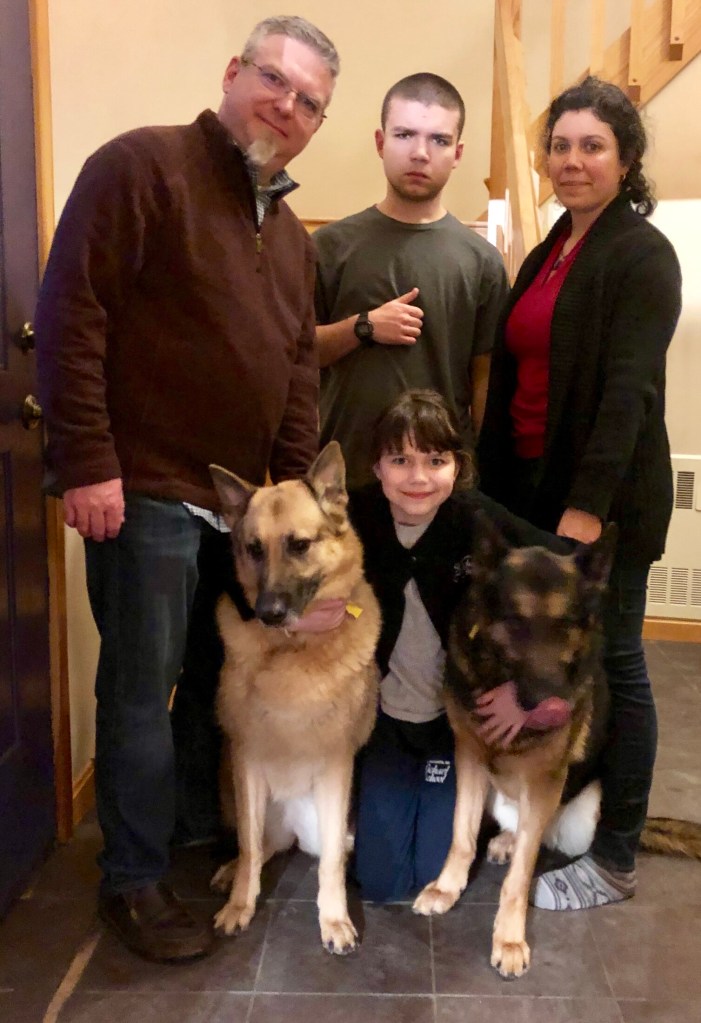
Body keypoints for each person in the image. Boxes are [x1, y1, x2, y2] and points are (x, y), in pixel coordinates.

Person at [34, 14, 339, 963]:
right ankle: (131, 878)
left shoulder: (291, 238)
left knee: (212, 680)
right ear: (233, 72)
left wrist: (285, 503)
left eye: (309, 102)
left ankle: (190, 837)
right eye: (275, 81)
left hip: (241, 518)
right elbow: (70, 311)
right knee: (140, 686)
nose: (285, 107)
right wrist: (87, 461)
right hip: (147, 494)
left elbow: (296, 376)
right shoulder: (139, 168)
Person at [476, 76, 683, 910]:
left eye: (591, 145)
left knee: (617, 668)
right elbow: (519, 371)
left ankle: (616, 855)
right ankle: (543, 819)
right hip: (531, 493)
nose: (571, 160)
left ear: (624, 158)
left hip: (603, 507)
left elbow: (627, 391)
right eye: (559, 145)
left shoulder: (641, 254)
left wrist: (586, 510)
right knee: (558, 667)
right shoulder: (553, 245)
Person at [344, 390, 572, 901]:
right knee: (381, 883)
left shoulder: (476, 519)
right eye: (400, 460)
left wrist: (530, 695)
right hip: (385, 721)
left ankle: (469, 813)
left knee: (431, 871)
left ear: (458, 466)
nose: (419, 478)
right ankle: (381, 802)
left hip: (456, 730)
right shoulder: (354, 517)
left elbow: (565, 578)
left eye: (436, 460)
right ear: (376, 466)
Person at [314, 73, 509, 488]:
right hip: (344, 479)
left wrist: (478, 475)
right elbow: (299, 353)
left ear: (457, 153)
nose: (420, 153)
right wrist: (363, 326)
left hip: (438, 484)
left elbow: (485, 380)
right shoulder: (330, 247)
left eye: (438, 140)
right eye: (405, 135)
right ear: (381, 142)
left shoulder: (483, 262)